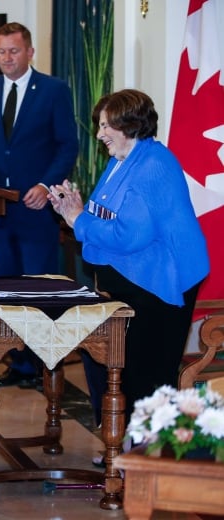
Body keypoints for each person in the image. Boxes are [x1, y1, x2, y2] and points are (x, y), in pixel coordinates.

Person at [48, 89, 209, 421]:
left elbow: (128, 234)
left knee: (145, 373)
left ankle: (142, 455)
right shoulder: (120, 162)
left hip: (160, 282)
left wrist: (78, 219)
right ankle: (122, 446)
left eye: (107, 125)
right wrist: (74, 211)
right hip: (132, 280)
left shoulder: (153, 164)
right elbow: (97, 213)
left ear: (130, 124)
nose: (100, 134)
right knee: (116, 365)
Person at [0, 22, 79, 386]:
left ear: (29, 52)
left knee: (37, 287)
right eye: (1, 52)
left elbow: (67, 144)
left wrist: (46, 185)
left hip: (35, 208)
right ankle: (20, 363)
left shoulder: (54, 91)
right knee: (6, 287)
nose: (7, 58)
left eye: (13, 51)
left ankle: (45, 365)